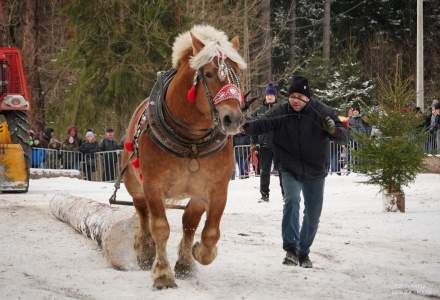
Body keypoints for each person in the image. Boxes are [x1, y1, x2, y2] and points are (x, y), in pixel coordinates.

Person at [242, 75, 348, 268]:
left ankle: (303, 251)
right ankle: (291, 249)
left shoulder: (321, 111)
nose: (295, 100)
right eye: (292, 96)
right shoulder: (281, 111)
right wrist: (243, 126)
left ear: (308, 98)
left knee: (313, 213)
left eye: (300, 97)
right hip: (289, 166)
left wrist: (333, 131)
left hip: (315, 170)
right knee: (292, 200)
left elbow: (344, 135)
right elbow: (262, 123)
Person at [250, 82, 279, 202]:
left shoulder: (281, 109)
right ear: (265, 96)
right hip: (264, 145)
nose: (270, 96)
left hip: (279, 145)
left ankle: (286, 195)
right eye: (268, 94)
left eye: (272, 94)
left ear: (275, 96)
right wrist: (254, 144)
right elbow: (253, 128)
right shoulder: (259, 111)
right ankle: (264, 195)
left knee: (283, 171)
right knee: (264, 171)